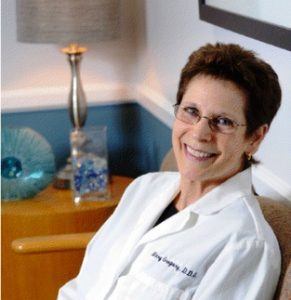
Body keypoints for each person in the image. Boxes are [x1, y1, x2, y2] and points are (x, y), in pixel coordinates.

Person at [58, 43, 282, 300]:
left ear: (254, 137)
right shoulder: (144, 187)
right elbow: (83, 287)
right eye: (191, 111)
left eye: (223, 122)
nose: (199, 134)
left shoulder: (245, 244)